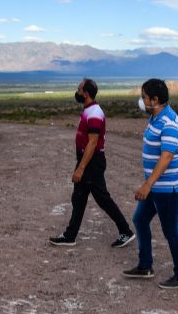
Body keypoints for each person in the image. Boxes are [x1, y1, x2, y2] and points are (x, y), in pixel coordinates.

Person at [49, 78, 135, 248]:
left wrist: (81, 168)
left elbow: (93, 143)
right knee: (79, 198)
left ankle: (126, 231)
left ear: (86, 93)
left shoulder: (94, 113)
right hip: (87, 160)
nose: (77, 92)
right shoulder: (89, 110)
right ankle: (70, 235)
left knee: (103, 199)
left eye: (79, 89)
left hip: (91, 163)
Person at [123, 78, 178, 289]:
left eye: (144, 97)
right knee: (140, 219)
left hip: (168, 188)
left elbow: (167, 157)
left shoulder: (168, 122)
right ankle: (145, 266)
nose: (141, 101)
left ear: (155, 99)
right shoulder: (155, 117)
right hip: (157, 187)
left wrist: (147, 185)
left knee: (171, 231)